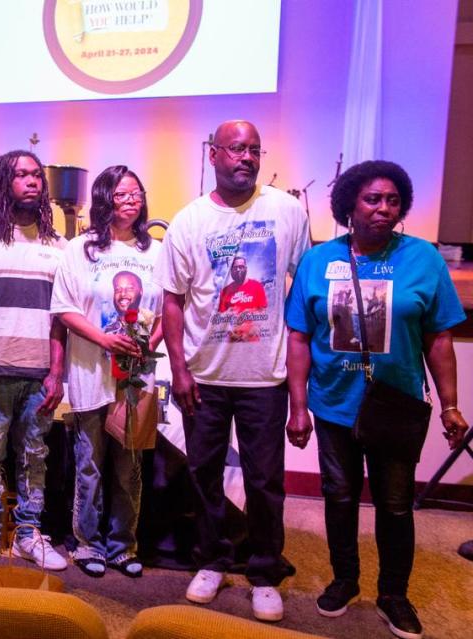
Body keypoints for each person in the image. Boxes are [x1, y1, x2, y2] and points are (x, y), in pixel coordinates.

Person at [285, 160, 468, 639]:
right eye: (372, 199)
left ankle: (394, 594)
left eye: (392, 200)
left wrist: (450, 404)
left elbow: (440, 339)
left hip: (396, 405)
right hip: (333, 404)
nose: (384, 208)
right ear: (349, 205)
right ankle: (345, 580)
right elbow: (300, 337)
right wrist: (298, 406)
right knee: (339, 496)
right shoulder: (318, 261)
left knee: (394, 503)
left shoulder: (422, 258)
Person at [153, 120, 310, 621]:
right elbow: (173, 303)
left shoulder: (287, 211)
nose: (246, 157)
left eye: (254, 150)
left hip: (264, 375)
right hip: (204, 376)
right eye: (236, 149)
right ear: (213, 154)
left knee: (265, 479)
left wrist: (301, 383)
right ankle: (213, 560)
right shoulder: (189, 221)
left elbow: (303, 292)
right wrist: (179, 370)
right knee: (203, 474)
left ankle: (264, 570)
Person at [0, 150, 68, 572]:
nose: (32, 182)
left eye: (37, 175)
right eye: (21, 175)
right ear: (4, 183)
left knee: (34, 455)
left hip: (39, 372)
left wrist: (56, 374)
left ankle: (28, 534)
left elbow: (61, 318)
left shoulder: (59, 247)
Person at [51, 165, 163, 578]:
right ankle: (86, 543)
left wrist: (150, 345)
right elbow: (63, 308)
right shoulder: (81, 249)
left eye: (136, 193)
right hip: (90, 373)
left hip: (135, 380)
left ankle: (123, 545)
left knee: (128, 467)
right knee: (89, 463)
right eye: (121, 194)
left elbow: (170, 306)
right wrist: (105, 339)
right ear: (103, 200)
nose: (131, 200)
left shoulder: (155, 251)